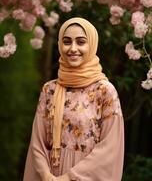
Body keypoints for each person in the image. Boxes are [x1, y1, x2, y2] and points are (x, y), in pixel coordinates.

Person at [23, 17, 124, 181]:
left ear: (91, 45)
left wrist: (69, 177)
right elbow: (37, 143)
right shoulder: (49, 90)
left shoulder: (104, 91)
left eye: (81, 42)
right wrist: (46, 176)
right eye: (67, 41)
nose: (73, 48)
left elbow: (109, 148)